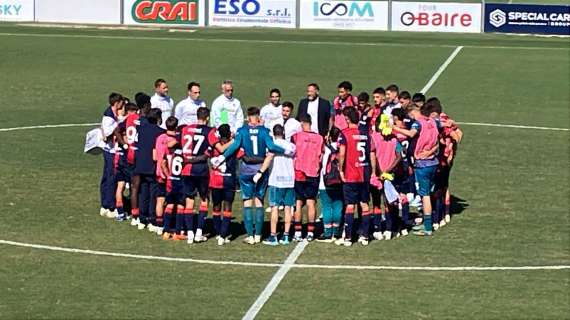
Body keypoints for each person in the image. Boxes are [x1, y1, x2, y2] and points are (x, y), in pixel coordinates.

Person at [221, 107, 288, 245]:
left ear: (247, 117)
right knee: (259, 202)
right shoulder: (265, 131)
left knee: (247, 202)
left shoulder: (242, 130)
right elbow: (271, 146)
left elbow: (234, 146)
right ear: (258, 117)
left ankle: (250, 235)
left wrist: (222, 157)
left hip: (246, 169)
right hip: (260, 168)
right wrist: (285, 150)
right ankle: (258, 235)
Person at [392, 104, 440, 236]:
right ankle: (429, 221)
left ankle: (428, 227)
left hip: (422, 164)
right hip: (433, 162)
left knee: (425, 196)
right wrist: (431, 150)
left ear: (412, 113)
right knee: (429, 192)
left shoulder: (418, 124)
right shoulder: (433, 121)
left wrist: (394, 128)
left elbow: (411, 133)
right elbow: (443, 129)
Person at [336, 107, 375, 247]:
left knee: (350, 205)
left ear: (347, 119)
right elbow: (372, 153)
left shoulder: (344, 134)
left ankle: (348, 237)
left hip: (351, 174)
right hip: (364, 173)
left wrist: (341, 170)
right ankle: (364, 235)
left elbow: (342, 154)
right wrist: (373, 171)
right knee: (364, 204)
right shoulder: (365, 134)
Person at [180, 107, 218, 244]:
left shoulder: (185, 129)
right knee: (204, 199)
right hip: (200, 169)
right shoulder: (210, 131)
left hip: (186, 169)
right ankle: (199, 232)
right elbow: (214, 147)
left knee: (189, 201)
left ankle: (190, 233)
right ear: (207, 118)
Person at [291, 114, 324, 242]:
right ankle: (310, 232)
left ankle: (298, 232)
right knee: (311, 202)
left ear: (302, 123)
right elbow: (321, 156)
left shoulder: (297, 136)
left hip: (299, 172)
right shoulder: (319, 138)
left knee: (298, 202)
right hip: (313, 172)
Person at [370, 117, 403, 241]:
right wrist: (389, 170)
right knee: (388, 202)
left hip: (378, 176)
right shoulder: (394, 138)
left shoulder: (373, 137)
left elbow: (373, 156)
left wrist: (379, 171)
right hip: (390, 175)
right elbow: (399, 156)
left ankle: (378, 229)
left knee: (377, 203)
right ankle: (389, 229)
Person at [131, 108, 164, 230]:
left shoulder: (141, 129)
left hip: (140, 164)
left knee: (143, 191)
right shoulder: (160, 132)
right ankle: (151, 219)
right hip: (152, 166)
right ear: (158, 119)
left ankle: (142, 218)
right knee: (153, 193)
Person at [209, 124, 242, 246]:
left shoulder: (214, 146)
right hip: (228, 180)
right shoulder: (233, 146)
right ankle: (223, 235)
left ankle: (218, 232)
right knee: (227, 207)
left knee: (216, 207)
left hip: (215, 180)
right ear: (229, 134)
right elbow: (242, 155)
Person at [264, 124, 296, 246]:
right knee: (288, 208)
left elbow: (268, 158)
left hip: (275, 180)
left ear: (273, 133)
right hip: (289, 180)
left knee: (274, 208)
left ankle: (273, 236)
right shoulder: (291, 145)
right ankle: (286, 235)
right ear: (283, 133)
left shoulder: (271, 146)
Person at [99, 92, 124, 219]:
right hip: (110, 151)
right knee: (111, 178)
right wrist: (118, 125)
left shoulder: (110, 114)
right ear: (117, 103)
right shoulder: (109, 117)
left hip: (109, 151)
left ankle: (104, 205)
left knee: (107, 177)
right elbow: (106, 136)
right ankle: (109, 206)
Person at [155, 116, 181, 239]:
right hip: (171, 174)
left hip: (159, 171)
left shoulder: (160, 137)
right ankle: (172, 226)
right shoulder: (175, 141)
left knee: (160, 199)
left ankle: (160, 226)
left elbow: (156, 156)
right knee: (173, 201)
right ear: (176, 127)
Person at [316, 126, 343, 242]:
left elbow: (321, 164)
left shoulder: (325, 149)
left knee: (327, 206)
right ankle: (336, 232)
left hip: (325, 182)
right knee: (338, 205)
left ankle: (327, 233)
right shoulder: (342, 148)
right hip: (339, 181)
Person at [114, 102, 139, 221]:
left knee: (120, 186)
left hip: (119, 157)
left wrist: (122, 144)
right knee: (134, 186)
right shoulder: (134, 121)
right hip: (128, 158)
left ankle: (120, 212)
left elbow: (117, 132)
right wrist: (126, 145)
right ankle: (133, 211)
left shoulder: (123, 123)